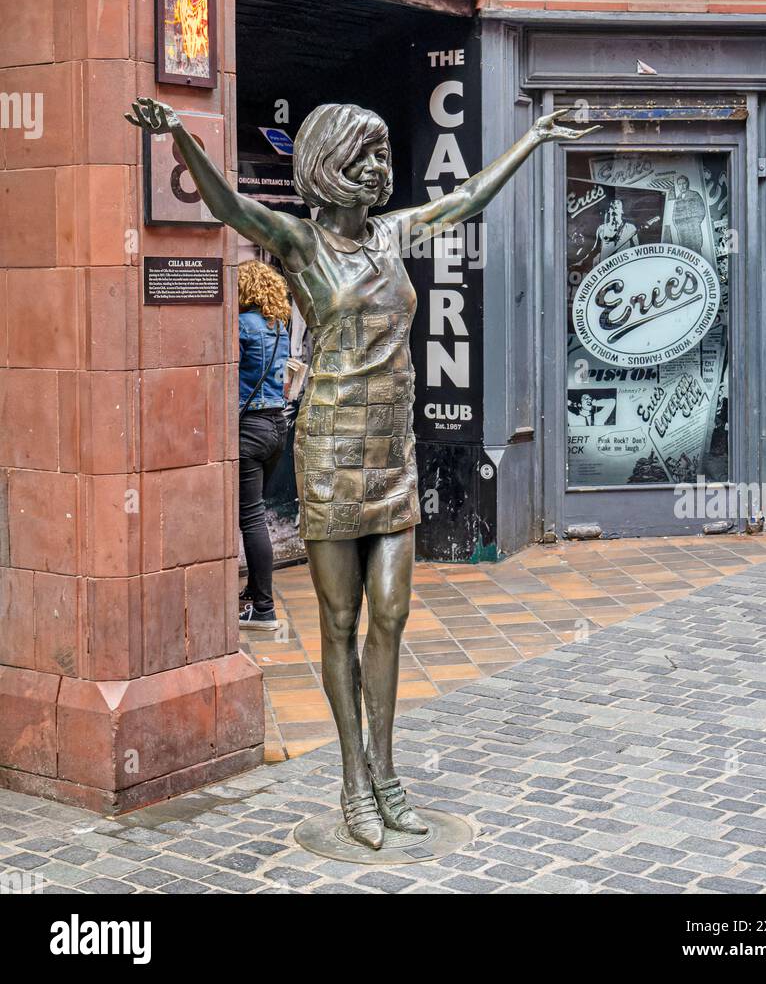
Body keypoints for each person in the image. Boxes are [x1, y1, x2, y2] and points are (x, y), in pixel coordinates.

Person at [124, 95, 599, 850]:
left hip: (391, 452)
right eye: (368, 156)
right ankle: (353, 781)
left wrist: (536, 136)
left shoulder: (393, 234)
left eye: (384, 154)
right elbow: (228, 204)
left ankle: (386, 771)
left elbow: (466, 196)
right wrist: (181, 134)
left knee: (391, 615)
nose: (382, 168)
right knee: (340, 622)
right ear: (331, 165)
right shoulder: (302, 244)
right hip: (329, 451)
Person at [237, 259, 290, 631]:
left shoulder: (241, 326)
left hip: (249, 428)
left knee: (251, 518)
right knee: (256, 511)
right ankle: (252, 591)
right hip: (276, 425)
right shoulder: (279, 326)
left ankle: (264, 608)